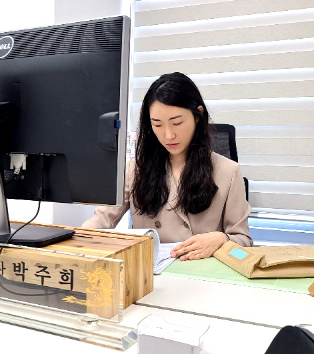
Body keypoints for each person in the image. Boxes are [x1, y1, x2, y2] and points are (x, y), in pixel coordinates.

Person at [83, 72, 252, 260]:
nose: (168, 135)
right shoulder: (136, 169)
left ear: (198, 116)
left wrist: (223, 239)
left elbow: (243, 242)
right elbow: (102, 220)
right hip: (149, 276)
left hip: (202, 274)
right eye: (157, 125)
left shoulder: (228, 171)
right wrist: (76, 241)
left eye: (177, 123)